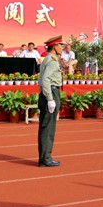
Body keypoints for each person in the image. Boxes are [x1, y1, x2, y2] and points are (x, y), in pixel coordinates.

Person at [37, 35, 66, 167]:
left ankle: (44, 157)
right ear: (54, 46)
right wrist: (50, 98)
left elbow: (41, 80)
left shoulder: (47, 59)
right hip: (51, 92)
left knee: (45, 126)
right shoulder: (53, 61)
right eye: (61, 45)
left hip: (47, 92)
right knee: (48, 127)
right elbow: (46, 80)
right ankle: (46, 158)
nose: (62, 48)